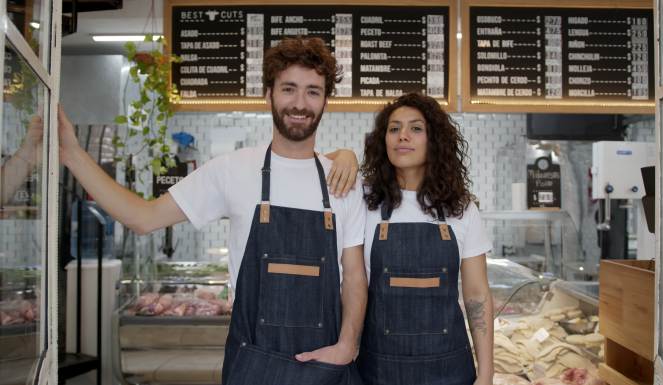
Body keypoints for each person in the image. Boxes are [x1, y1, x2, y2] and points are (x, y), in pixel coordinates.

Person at [58, 36, 367, 385]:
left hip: (326, 364)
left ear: (325, 100)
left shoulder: (342, 181)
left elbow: (355, 276)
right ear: (268, 94)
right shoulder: (231, 169)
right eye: (289, 89)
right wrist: (72, 155)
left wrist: (347, 345)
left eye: (313, 91)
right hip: (252, 365)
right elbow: (142, 218)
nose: (300, 103)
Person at [357, 93, 494, 385]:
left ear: (435, 141)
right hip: (378, 370)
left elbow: (476, 294)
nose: (402, 136)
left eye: (416, 128)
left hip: (450, 370)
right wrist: (342, 156)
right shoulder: (362, 200)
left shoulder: (461, 208)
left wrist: (486, 373)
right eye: (394, 129)